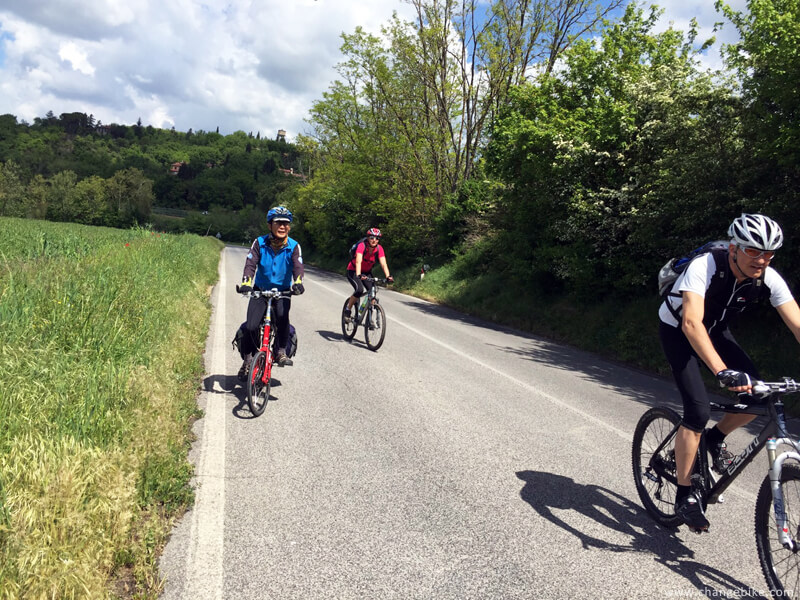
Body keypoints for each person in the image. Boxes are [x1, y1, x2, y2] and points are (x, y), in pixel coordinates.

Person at [659, 213, 800, 532]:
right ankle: (685, 497)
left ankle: (714, 439)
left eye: (768, 253)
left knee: (756, 395)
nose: (761, 260)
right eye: (753, 251)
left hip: (716, 331)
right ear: (735, 248)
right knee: (697, 409)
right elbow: (691, 323)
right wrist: (722, 372)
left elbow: (797, 324)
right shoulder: (706, 265)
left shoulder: (768, 277)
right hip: (678, 330)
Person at [237, 206, 304, 379]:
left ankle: (281, 351)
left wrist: (297, 283)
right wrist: (246, 283)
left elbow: (298, 266)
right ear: (269, 225)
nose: (282, 226)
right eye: (278, 223)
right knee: (251, 326)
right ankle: (248, 359)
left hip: (282, 292)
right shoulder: (259, 243)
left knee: (282, 317)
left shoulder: (294, 246)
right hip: (260, 290)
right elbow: (250, 264)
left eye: (286, 223)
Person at [343, 228, 393, 322]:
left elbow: (383, 263)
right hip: (353, 271)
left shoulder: (379, 248)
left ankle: (370, 316)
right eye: (372, 237)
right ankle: (348, 309)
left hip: (367, 272)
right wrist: (358, 274)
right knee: (359, 290)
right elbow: (358, 261)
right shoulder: (362, 246)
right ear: (368, 238)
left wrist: (388, 276)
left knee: (372, 291)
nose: (374, 240)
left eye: (377, 238)